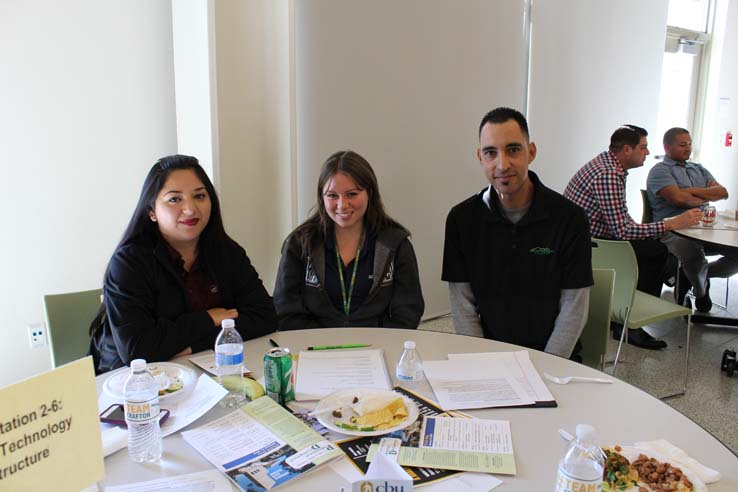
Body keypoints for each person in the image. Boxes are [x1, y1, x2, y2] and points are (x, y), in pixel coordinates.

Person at [89, 155, 277, 373]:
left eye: (199, 196)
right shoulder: (129, 263)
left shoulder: (227, 252)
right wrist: (209, 318)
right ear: (151, 211)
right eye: (174, 199)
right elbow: (137, 349)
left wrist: (190, 344)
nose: (190, 209)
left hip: (203, 371)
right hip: (133, 385)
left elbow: (265, 316)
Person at [442, 107, 593, 359]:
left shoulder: (570, 218)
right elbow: (462, 305)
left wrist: (547, 366)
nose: (502, 164)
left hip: (556, 359)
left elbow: (573, 307)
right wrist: (482, 359)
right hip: (489, 357)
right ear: (480, 157)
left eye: (513, 150)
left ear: (530, 152)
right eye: (491, 153)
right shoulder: (461, 220)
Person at [564, 125, 701, 349]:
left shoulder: (608, 165)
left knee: (656, 250)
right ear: (627, 150)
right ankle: (630, 325)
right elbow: (622, 231)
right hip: (589, 246)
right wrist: (672, 223)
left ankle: (626, 311)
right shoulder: (608, 175)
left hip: (593, 238)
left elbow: (620, 222)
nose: (647, 152)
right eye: (643, 147)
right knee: (656, 253)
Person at [274, 150, 424, 329]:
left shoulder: (395, 243)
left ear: (369, 193)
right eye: (332, 196)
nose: (342, 205)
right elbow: (285, 310)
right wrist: (324, 345)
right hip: (315, 348)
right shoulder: (300, 244)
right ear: (322, 198)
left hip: (379, 346)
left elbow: (408, 312)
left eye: (352, 194)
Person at [647, 127, 738, 312]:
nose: (688, 148)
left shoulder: (698, 168)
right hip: (673, 229)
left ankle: (689, 277)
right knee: (692, 254)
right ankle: (701, 293)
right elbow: (679, 199)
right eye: (682, 145)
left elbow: (723, 193)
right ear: (667, 147)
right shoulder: (660, 171)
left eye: (689, 144)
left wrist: (690, 191)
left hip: (706, 227)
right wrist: (707, 194)